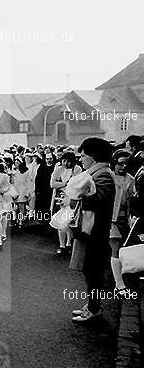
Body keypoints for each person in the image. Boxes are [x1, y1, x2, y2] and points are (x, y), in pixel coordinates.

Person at [70, 138, 115, 322]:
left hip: (96, 232)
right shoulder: (98, 173)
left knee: (93, 271)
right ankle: (91, 305)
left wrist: (77, 199)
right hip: (92, 230)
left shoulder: (102, 174)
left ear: (93, 157)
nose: (81, 159)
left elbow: (100, 201)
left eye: (83, 156)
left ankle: (94, 309)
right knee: (89, 270)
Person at [109, 149, 136, 296]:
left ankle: (117, 280)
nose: (123, 167)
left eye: (126, 164)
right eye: (121, 164)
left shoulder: (130, 180)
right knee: (115, 246)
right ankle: (119, 286)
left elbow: (131, 201)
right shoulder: (109, 176)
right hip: (109, 218)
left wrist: (131, 218)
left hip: (123, 219)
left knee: (120, 249)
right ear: (114, 163)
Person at [51, 152, 82, 254]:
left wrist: (62, 185)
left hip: (73, 199)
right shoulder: (59, 169)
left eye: (68, 161)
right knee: (60, 222)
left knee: (66, 222)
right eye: (64, 160)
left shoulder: (77, 169)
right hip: (61, 199)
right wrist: (64, 183)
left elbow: (76, 184)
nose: (66, 163)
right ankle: (62, 245)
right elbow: (52, 184)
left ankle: (69, 242)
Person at [34, 152, 56, 221]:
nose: (49, 160)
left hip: (51, 190)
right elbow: (37, 180)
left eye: (50, 159)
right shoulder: (41, 168)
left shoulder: (55, 168)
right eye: (47, 159)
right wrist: (37, 190)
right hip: (42, 191)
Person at [12, 157, 33, 229]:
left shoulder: (26, 172)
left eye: (17, 162)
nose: (15, 164)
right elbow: (12, 183)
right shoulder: (14, 173)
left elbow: (28, 183)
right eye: (15, 162)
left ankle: (20, 221)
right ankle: (17, 219)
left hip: (23, 192)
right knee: (15, 208)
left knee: (21, 208)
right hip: (16, 192)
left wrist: (27, 193)